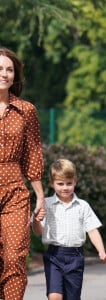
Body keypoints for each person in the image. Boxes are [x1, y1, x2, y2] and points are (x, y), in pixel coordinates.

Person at [0, 47, 45, 300]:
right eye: (0, 69)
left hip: (15, 192)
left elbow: (33, 154)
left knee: (15, 256)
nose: (4, 74)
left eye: (9, 69)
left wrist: (39, 196)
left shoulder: (26, 110)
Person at [32, 158, 106, 300]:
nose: (65, 187)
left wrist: (101, 250)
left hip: (75, 257)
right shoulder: (46, 205)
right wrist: (36, 219)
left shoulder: (82, 206)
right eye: (60, 184)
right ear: (51, 183)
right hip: (54, 255)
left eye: (69, 183)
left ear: (75, 181)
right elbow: (38, 231)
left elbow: (92, 230)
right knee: (54, 296)